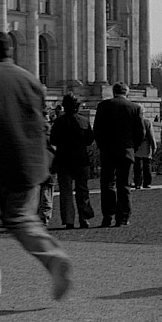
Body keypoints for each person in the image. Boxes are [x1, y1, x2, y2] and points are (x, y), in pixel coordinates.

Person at [0, 30, 72, 308]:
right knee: (22, 219)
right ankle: (52, 256)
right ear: (10, 50)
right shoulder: (30, 80)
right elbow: (42, 124)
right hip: (29, 163)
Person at [93, 82, 144, 227]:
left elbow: (97, 130)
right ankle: (123, 217)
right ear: (126, 93)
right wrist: (133, 147)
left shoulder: (103, 106)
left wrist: (102, 146)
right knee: (124, 185)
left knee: (107, 184)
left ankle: (108, 216)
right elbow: (140, 133)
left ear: (113, 92)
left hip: (108, 151)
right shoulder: (135, 108)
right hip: (127, 151)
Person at [50, 93, 96, 229]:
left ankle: (69, 220)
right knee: (82, 190)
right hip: (80, 159)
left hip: (63, 159)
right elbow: (89, 140)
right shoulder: (84, 121)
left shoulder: (59, 122)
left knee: (66, 191)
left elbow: (53, 140)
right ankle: (84, 218)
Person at [133, 108, 158, 189]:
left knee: (137, 166)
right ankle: (147, 183)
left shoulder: (133, 122)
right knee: (147, 165)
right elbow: (151, 135)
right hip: (146, 145)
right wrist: (154, 146)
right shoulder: (147, 122)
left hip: (136, 146)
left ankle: (138, 183)